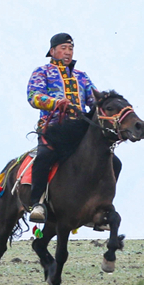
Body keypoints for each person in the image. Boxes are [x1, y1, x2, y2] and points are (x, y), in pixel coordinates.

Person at [25, 33, 99, 223]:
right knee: (44, 157)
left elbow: (94, 99)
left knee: (111, 161)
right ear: (52, 51)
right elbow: (34, 97)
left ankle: (98, 207)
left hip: (80, 131)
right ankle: (37, 203)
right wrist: (55, 102)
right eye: (63, 48)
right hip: (54, 128)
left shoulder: (81, 76)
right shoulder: (42, 72)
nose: (68, 52)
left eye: (70, 48)